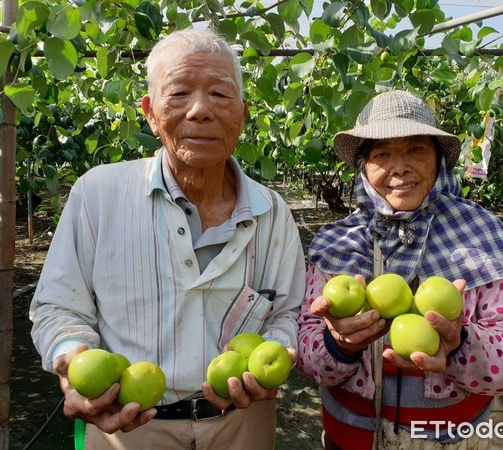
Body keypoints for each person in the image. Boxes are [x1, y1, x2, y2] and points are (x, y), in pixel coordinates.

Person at [30, 27, 305, 450]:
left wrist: (276, 353)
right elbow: (57, 307)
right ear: (150, 112)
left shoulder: (272, 212)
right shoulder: (98, 194)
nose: (199, 110)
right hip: (127, 426)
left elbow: (286, 312)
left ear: (243, 113)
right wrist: (73, 354)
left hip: (243, 424)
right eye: (178, 94)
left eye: (219, 94)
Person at [296, 90, 503, 449]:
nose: (399, 167)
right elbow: (306, 356)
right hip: (348, 437)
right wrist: (337, 346)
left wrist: (459, 346)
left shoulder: (480, 232)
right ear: (363, 166)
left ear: (439, 160)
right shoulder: (338, 242)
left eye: (416, 149)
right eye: (382, 154)